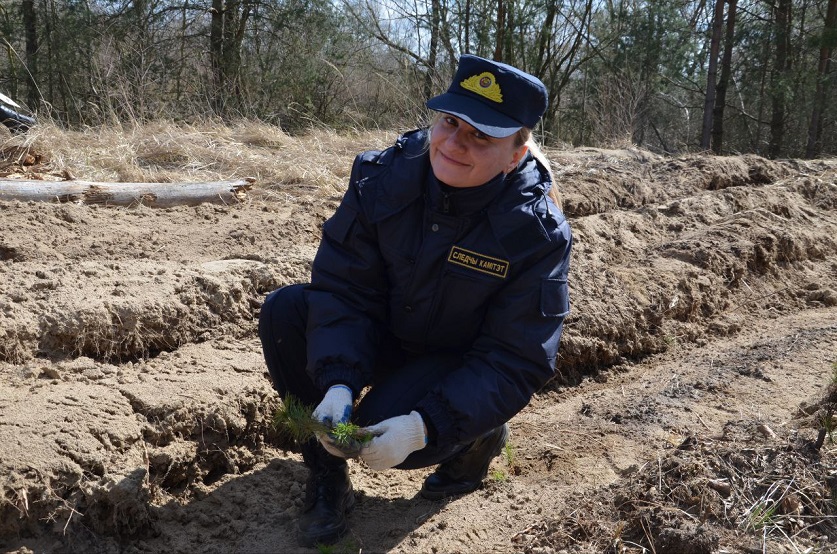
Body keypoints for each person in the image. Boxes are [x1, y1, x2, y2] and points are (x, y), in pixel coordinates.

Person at [258, 54, 572, 547]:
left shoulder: (535, 232)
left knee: (387, 428)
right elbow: (344, 288)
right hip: (387, 335)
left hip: (454, 364)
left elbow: (515, 358)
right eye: (450, 122)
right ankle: (326, 473)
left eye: (481, 136)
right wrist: (337, 381)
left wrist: (425, 426)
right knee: (286, 312)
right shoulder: (381, 179)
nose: (455, 143)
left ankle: (476, 438)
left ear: (516, 154)